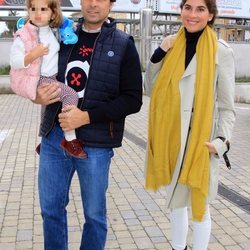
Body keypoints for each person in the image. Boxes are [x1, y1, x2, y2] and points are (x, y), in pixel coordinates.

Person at [33, 0, 143, 249]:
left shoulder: (123, 44)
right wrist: (35, 94)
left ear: (111, 3)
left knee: (94, 215)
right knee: (50, 210)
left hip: (96, 143)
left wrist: (87, 116)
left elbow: (133, 99)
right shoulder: (61, 35)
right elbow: (40, 73)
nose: (93, 4)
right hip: (54, 137)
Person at [144, 0, 235, 249]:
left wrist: (221, 142)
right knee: (177, 200)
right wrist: (159, 53)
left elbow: (227, 107)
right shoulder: (172, 46)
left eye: (200, 9)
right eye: (187, 7)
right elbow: (151, 90)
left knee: (199, 205)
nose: (192, 14)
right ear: (181, 10)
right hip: (173, 135)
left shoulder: (221, 51)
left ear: (211, 15)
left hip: (200, 141)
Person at [9, 0, 87, 159]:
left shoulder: (53, 31)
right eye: (33, 9)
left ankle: (44, 144)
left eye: (43, 9)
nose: (37, 14)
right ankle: (69, 139)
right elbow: (14, 61)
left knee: (52, 106)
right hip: (40, 78)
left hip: (52, 77)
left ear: (53, 13)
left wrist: (70, 28)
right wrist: (33, 55)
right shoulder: (24, 34)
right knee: (71, 95)